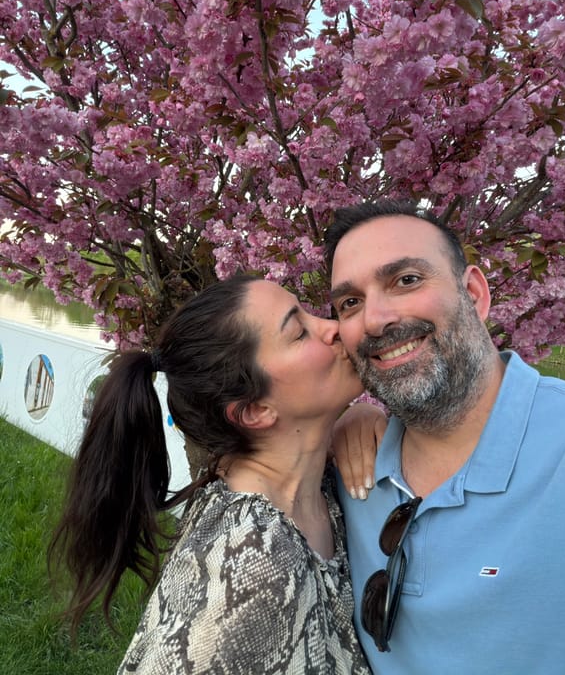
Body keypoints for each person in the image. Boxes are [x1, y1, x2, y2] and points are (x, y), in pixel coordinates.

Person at [325, 199, 565, 675]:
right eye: (350, 302)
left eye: (406, 280)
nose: (375, 319)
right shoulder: (346, 476)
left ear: (473, 293)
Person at [49, 273, 374, 675]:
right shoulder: (250, 564)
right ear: (254, 411)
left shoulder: (317, 485)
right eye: (299, 332)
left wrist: (363, 416)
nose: (332, 327)